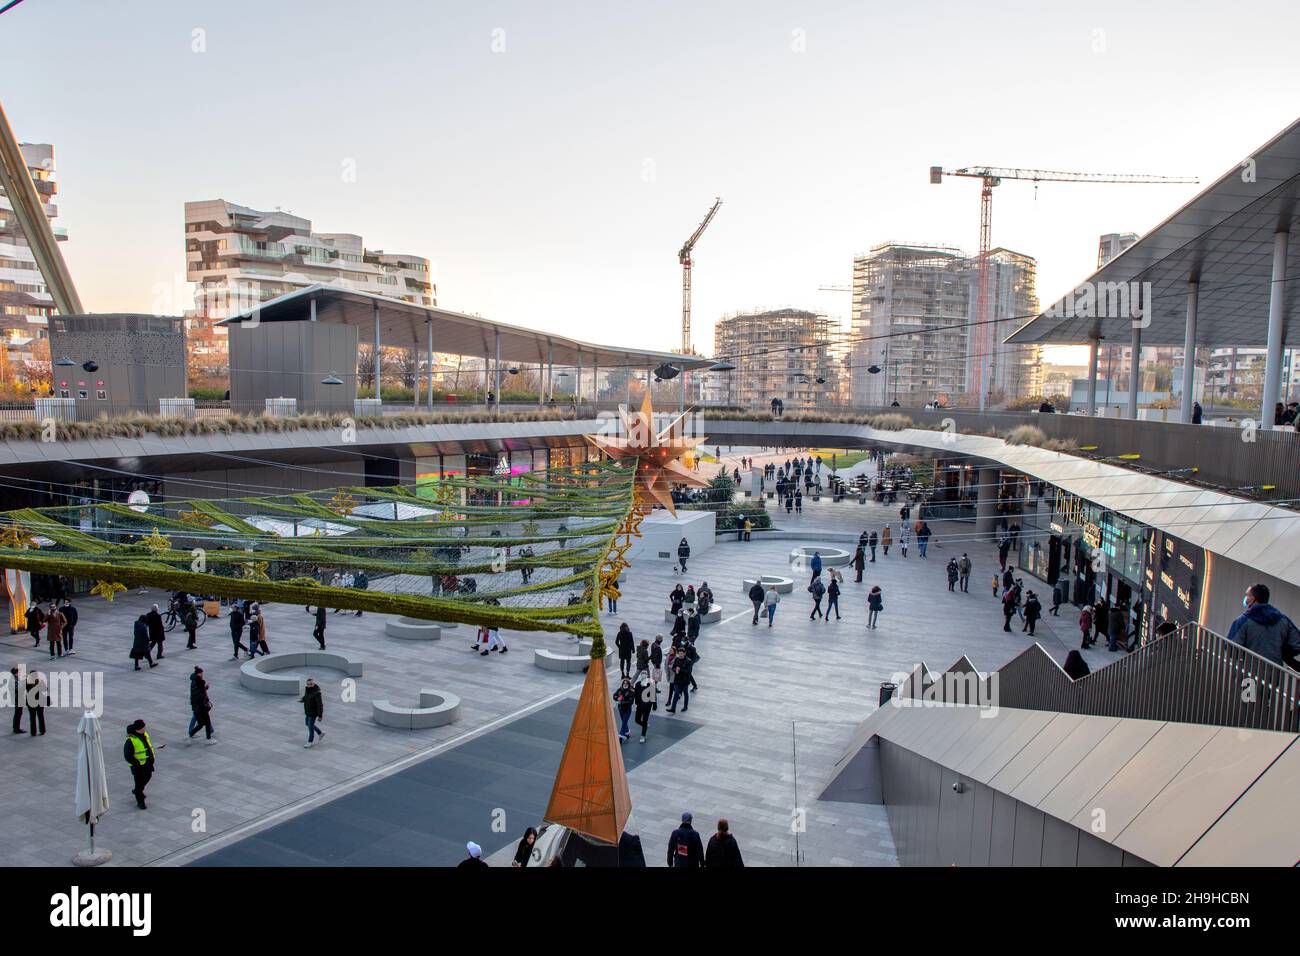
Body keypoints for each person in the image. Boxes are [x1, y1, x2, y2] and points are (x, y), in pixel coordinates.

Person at [1227, 583, 1300, 668]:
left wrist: (1243, 656)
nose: (1245, 598)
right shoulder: (1283, 620)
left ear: (1253, 598)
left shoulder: (1243, 620)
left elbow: (1231, 648)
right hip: (1275, 673)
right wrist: (1281, 652)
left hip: (1249, 671)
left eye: (1247, 595)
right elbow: (1297, 645)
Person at [123, 718, 155, 809]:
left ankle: (137, 790)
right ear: (140, 728)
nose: (145, 728)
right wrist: (137, 763)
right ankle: (140, 802)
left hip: (147, 763)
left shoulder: (144, 734)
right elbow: (127, 755)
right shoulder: (131, 740)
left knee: (148, 776)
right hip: (138, 767)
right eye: (144, 726)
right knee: (139, 783)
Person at [188, 666, 215, 743]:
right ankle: (208, 739)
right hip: (201, 706)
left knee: (201, 723)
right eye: (202, 674)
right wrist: (205, 697)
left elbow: (199, 691)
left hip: (196, 706)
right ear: (199, 674)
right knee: (207, 722)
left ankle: (191, 733)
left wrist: (205, 688)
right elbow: (200, 693)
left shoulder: (194, 681)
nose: (202, 675)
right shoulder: (198, 682)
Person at [300, 677, 325, 748]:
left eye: (311, 684)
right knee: (307, 724)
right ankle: (320, 733)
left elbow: (320, 705)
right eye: (308, 684)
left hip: (313, 713)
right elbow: (306, 697)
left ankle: (310, 741)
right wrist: (302, 699)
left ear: (313, 683)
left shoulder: (317, 693)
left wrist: (320, 716)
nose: (309, 685)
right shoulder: (307, 689)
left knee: (310, 726)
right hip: (308, 711)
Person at [666, 648, 692, 713]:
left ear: (684, 653)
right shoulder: (677, 659)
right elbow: (673, 667)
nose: (680, 655)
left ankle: (685, 706)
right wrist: (675, 670)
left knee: (685, 693)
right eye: (679, 653)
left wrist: (680, 670)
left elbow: (688, 672)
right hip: (677, 680)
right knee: (676, 693)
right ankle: (673, 708)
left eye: (681, 653)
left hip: (685, 681)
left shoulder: (688, 661)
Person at [633, 670, 654, 743]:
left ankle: (643, 735)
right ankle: (644, 725)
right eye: (642, 673)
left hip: (647, 705)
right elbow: (635, 694)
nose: (643, 675)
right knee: (637, 720)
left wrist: (654, 705)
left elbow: (653, 695)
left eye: (645, 673)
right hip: (639, 705)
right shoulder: (638, 684)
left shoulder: (650, 684)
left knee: (645, 720)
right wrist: (635, 702)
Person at [613, 675, 635, 742]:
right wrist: (617, 698)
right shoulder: (620, 690)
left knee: (624, 722)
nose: (625, 684)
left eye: (626, 683)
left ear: (628, 684)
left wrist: (621, 702)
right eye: (624, 683)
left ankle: (621, 736)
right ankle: (627, 732)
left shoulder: (631, 691)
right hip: (620, 709)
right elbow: (614, 696)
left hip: (627, 709)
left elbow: (631, 701)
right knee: (624, 721)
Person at [25, 670, 46, 736]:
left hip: (30, 701)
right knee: (41, 716)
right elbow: (45, 689)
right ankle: (42, 730)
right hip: (40, 701)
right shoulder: (40, 681)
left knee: (32, 717)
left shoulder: (27, 682)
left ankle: (33, 732)